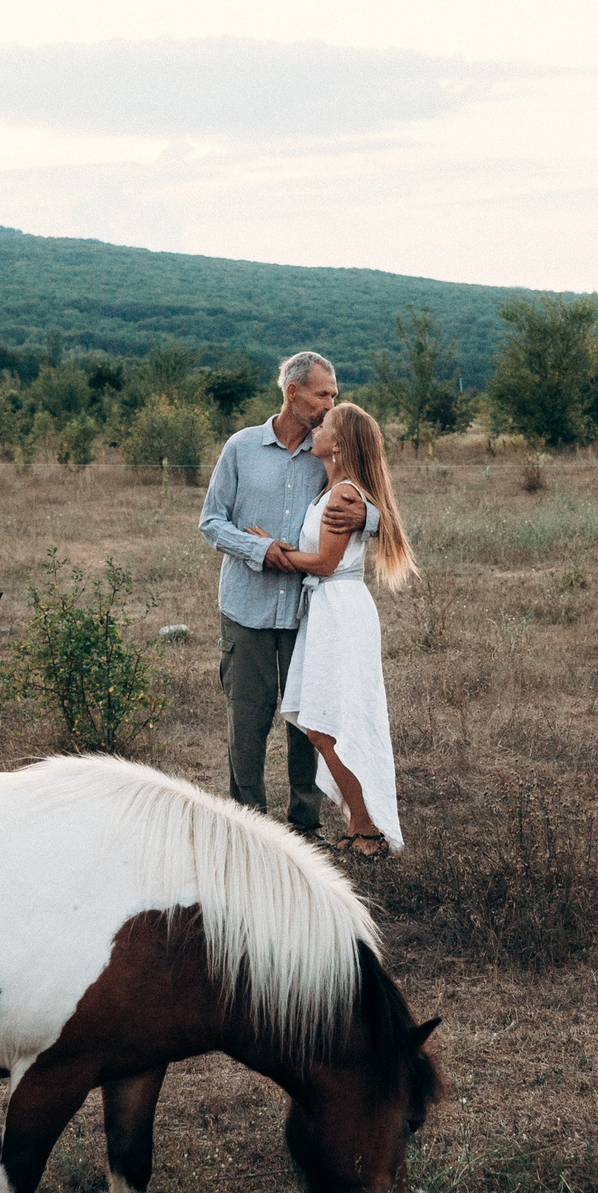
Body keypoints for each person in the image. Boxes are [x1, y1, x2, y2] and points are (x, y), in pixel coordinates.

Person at [198, 352, 374, 837]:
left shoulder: (329, 453)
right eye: (323, 394)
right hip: (246, 611)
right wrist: (259, 548)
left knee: (307, 723)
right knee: (247, 726)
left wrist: (369, 518)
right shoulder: (241, 448)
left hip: (306, 613)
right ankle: (249, 830)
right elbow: (211, 521)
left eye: (333, 395)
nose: (330, 404)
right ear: (292, 392)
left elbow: (372, 489)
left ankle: (305, 829)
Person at [266, 402, 416, 856]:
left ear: (341, 442)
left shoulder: (343, 495)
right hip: (327, 609)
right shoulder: (330, 487)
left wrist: (272, 552)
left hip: (339, 610)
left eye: (326, 424)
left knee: (328, 725)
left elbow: (327, 563)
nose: (318, 425)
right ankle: (358, 824)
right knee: (325, 724)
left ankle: (368, 828)